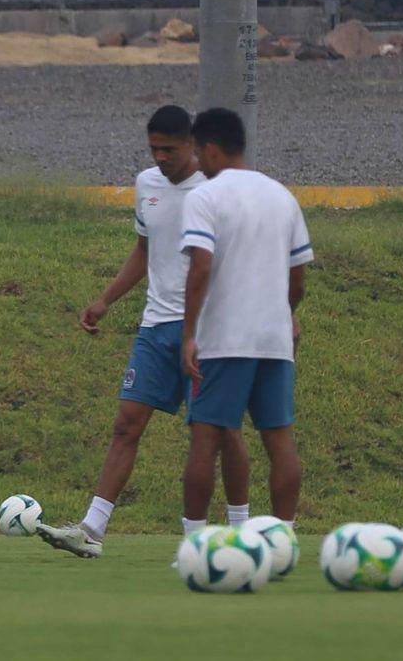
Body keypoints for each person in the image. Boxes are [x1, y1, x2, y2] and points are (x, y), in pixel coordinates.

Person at [37, 106, 251, 559]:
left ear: (191, 144)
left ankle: (241, 530)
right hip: (155, 327)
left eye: (168, 149)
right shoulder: (146, 184)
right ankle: (92, 529)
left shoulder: (216, 188)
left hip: (209, 329)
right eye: (153, 148)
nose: (159, 157)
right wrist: (105, 299)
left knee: (218, 432)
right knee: (126, 425)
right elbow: (144, 250)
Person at [178, 107, 312, 534]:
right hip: (274, 341)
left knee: (205, 440)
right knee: (280, 441)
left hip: (225, 340)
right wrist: (285, 316)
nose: (197, 164)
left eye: (198, 154)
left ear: (212, 150)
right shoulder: (282, 196)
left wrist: (188, 335)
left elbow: (200, 268)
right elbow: (298, 278)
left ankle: (194, 542)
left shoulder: (204, 197)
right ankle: (284, 539)